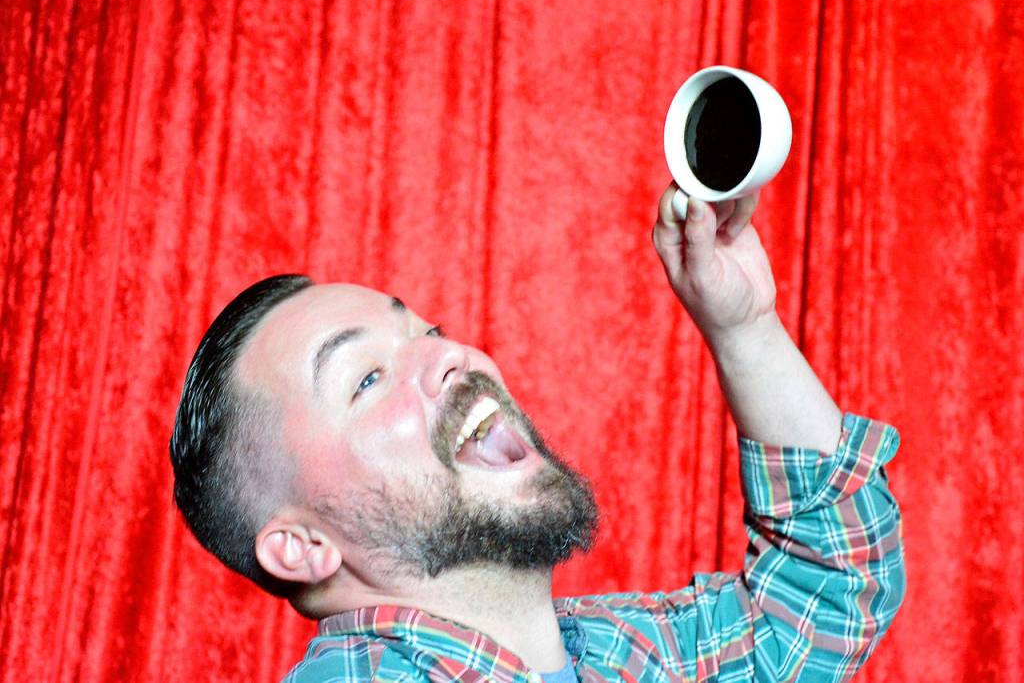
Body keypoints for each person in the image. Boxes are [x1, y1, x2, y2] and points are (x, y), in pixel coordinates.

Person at [169, 184, 905, 682]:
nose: (448, 354)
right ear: (303, 547)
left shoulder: (613, 655)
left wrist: (744, 327)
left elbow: (826, 591)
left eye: (427, 331)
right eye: (365, 379)